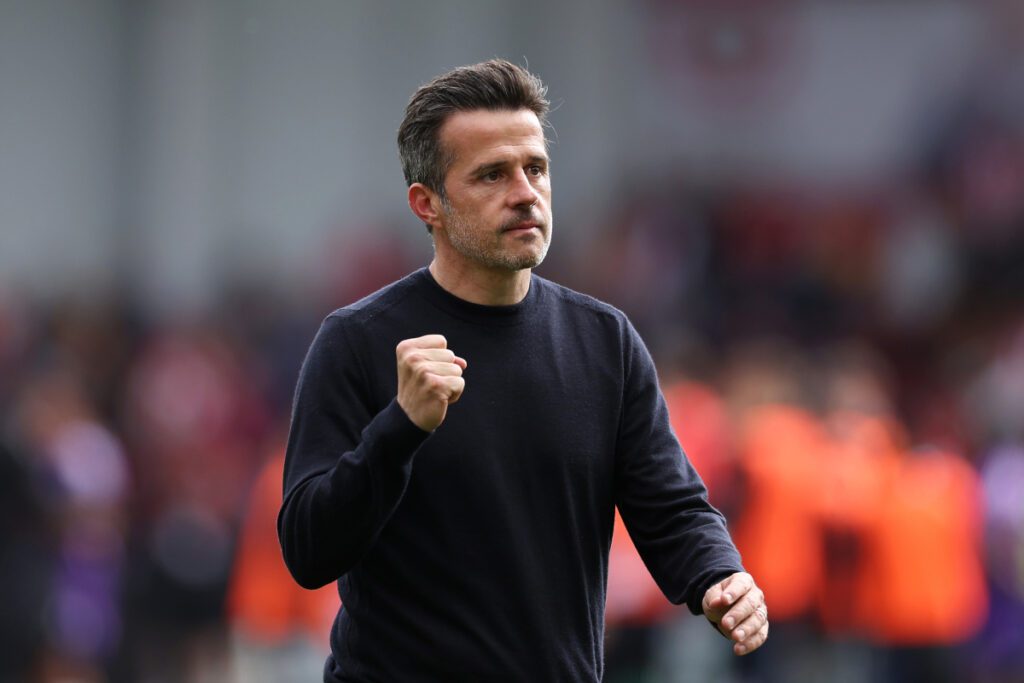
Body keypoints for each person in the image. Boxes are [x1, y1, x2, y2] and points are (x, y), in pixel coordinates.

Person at [278, 59, 768, 681]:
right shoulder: (356, 341)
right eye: (491, 175)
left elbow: (671, 507)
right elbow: (308, 549)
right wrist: (400, 427)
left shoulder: (605, 341)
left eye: (535, 168)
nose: (524, 192)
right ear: (427, 203)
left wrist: (719, 576)